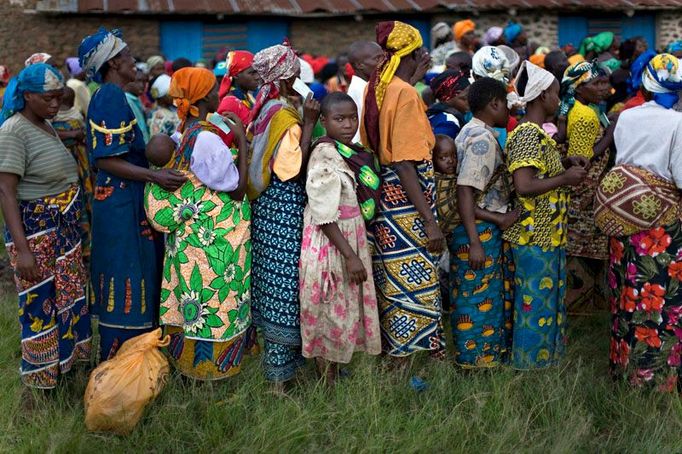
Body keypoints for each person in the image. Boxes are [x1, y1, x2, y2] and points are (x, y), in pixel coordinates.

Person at [79, 27, 186, 359]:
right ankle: (122, 364)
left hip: (124, 199)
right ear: (112, 64)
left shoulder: (113, 95)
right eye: (126, 57)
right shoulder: (109, 96)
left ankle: (135, 362)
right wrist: (154, 177)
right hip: (121, 202)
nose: (133, 62)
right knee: (128, 271)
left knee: (133, 268)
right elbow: (107, 159)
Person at [145, 67, 257, 380]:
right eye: (211, 88)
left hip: (193, 240)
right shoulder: (206, 139)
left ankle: (189, 366)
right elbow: (236, 189)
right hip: (215, 243)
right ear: (205, 96)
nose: (216, 92)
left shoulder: (185, 132)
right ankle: (210, 372)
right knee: (215, 298)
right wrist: (244, 147)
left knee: (193, 294)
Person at [0, 63, 92, 390]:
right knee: (41, 304)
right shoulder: (13, 131)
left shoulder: (44, 124)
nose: (55, 105)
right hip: (37, 232)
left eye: (58, 98)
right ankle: (39, 385)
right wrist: (23, 251)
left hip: (61, 229)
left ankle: (64, 369)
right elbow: (6, 191)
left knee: (66, 297)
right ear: (26, 97)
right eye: (48, 99)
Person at [595, 54, 682, 390]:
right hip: (662, 225)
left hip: (624, 216)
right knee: (661, 298)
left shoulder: (626, 116)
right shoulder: (676, 123)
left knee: (627, 293)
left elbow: (622, 160)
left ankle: (623, 368)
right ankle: (657, 378)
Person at [361, 21, 446, 361]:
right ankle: (410, 359)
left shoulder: (380, 87)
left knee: (393, 281)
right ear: (409, 55)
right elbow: (406, 164)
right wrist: (429, 220)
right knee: (415, 281)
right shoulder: (406, 94)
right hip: (409, 204)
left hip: (388, 201)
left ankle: (394, 353)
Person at [505, 61, 589, 369]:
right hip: (533, 233)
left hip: (547, 232)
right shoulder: (527, 133)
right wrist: (565, 179)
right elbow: (524, 185)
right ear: (542, 96)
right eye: (555, 92)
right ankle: (528, 366)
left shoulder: (537, 134)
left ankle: (545, 362)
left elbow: (539, 170)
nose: (558, 98)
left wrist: (564, 162)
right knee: (533, 304)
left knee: (545, 301)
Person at [248, 44, 320, 387]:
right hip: (284, 209)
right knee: (285, 287)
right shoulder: (283, 116)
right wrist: (310, 124)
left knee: (275, 282)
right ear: (287, 77)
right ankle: (279, 379)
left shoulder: (263, 108)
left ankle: (285, 369)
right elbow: (291, 169)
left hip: (266, 208)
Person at [299, 92, 382, 383]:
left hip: (349, 238)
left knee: (342, 307)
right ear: (324, 121)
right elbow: (324, 214)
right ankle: (326, 381)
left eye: (352, 118)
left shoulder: (350, 150)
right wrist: (350, 256)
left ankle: (333, 372)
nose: (348, 125)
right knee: (329, 306)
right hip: (332, 244)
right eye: (339, 119)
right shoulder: (325, 154)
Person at [451, 77, 517, 368]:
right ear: (494, 104)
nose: (509, 111)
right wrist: (479, 238)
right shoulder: (482, 140)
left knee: (478, 295)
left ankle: (480, 357)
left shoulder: (470, 130)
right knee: (478, 299)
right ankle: (477, 362)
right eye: (506, 105)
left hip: (475, 228)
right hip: (476, 232)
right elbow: (465, 190)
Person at [560, 60, 616, 313]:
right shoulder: (583, 115)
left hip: (586, 192)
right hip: (583, 193)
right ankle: (581, 307)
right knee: (582, 252)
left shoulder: (587, 108)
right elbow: (584, 158)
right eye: (597, 83)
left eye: (605, 82)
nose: (605, 88)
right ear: (579, 88)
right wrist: (609, 135)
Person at [51, 86, 93, 258]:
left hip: (70, 167)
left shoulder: (55, 121)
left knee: (76, 203)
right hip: (76, 167)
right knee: (78, 202)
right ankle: (83, 245)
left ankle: (80, 246)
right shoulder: (76, 118)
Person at [347, 41, 384, 143]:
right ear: (360, 65)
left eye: (384, 57)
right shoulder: (360, 90)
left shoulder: (368, 86)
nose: (384, 62)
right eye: (377, 58)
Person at [427, 70, 470, 139]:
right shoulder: (449, 122)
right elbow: (441, 148)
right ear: (448, 97)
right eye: (464, 98)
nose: (469, 102)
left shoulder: (434, 113)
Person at [124, 69, 150, 143]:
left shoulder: (136, 99)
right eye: (138, 81)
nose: (142, 85)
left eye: (144, 81)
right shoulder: (127, 101)